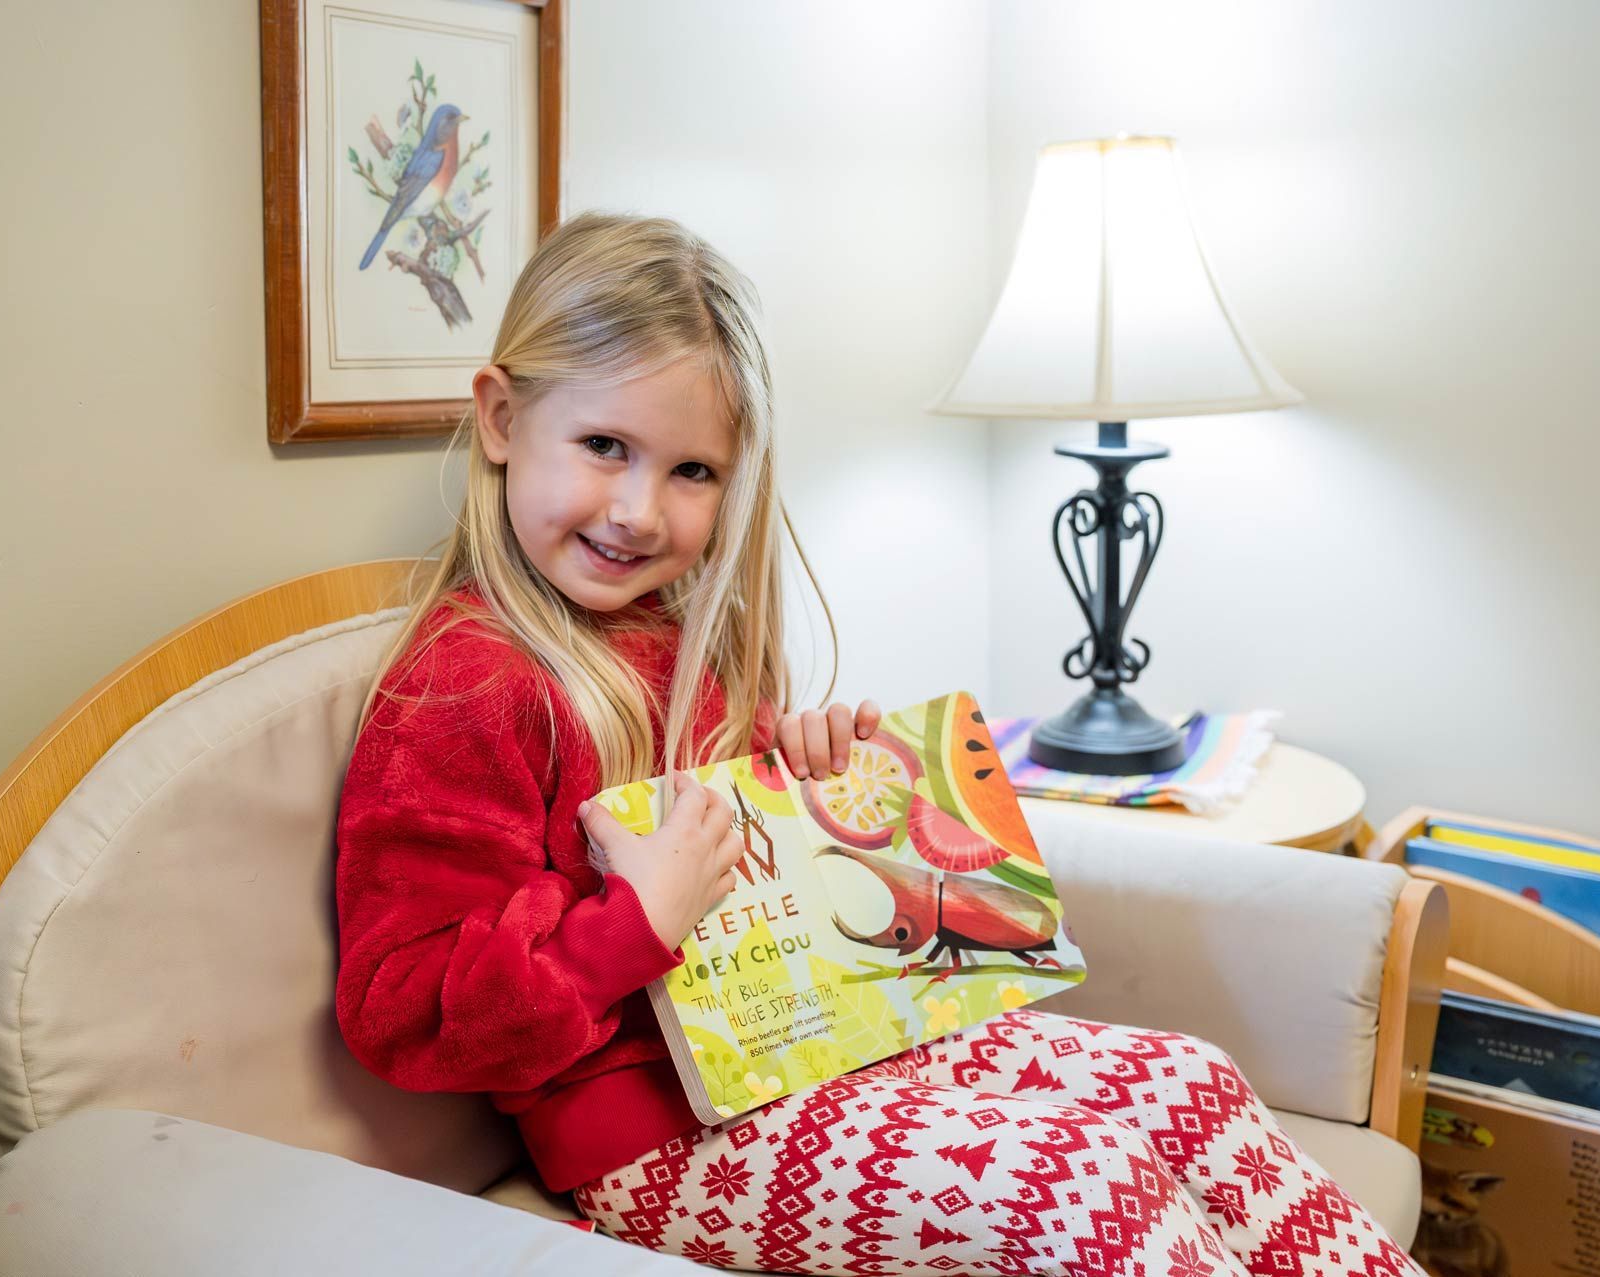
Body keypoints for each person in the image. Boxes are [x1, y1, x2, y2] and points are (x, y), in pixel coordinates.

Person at [334, 211, 1420, 1276]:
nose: (639, 510)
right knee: (1079, 1168)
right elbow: (404, 1008)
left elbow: (774, 878)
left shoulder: (683, 634)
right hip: (658, 1138)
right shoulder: (461, 687)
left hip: (821, 1043)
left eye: (690, 471)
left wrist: (811, 777)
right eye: (605, 446)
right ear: (499, 417)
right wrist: (634, 919)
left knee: (1191, 1080)